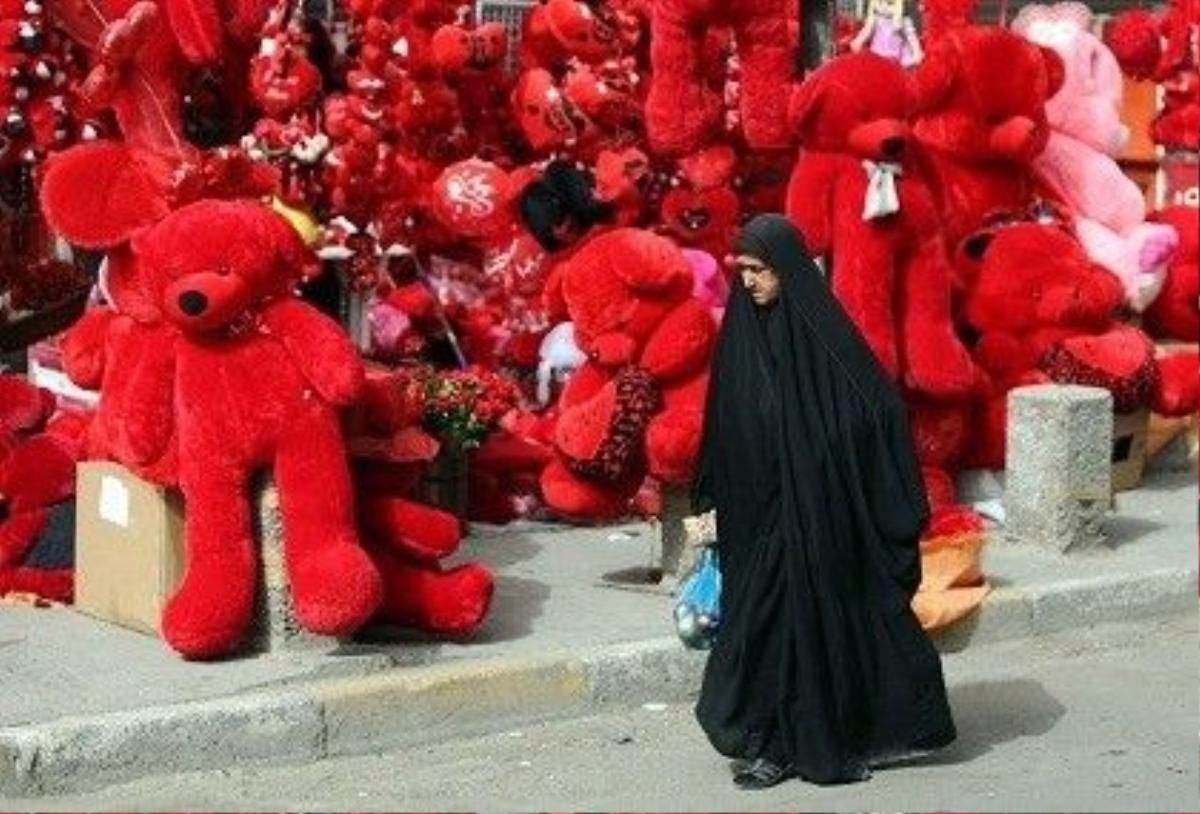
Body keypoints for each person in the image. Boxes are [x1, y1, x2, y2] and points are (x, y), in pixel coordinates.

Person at [690, 214, 956, 789]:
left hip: (820, 518)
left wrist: (825, 453)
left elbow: (878, 410)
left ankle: (789, 746)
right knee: (761, 629)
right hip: (754, 521)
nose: (751, 284)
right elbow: (719, 427)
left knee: (813, 627)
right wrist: (709, 499)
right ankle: (770, 740)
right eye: (743, 272)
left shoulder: (824, 338)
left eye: (761, 272)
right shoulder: (740, 340)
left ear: (788, 270)